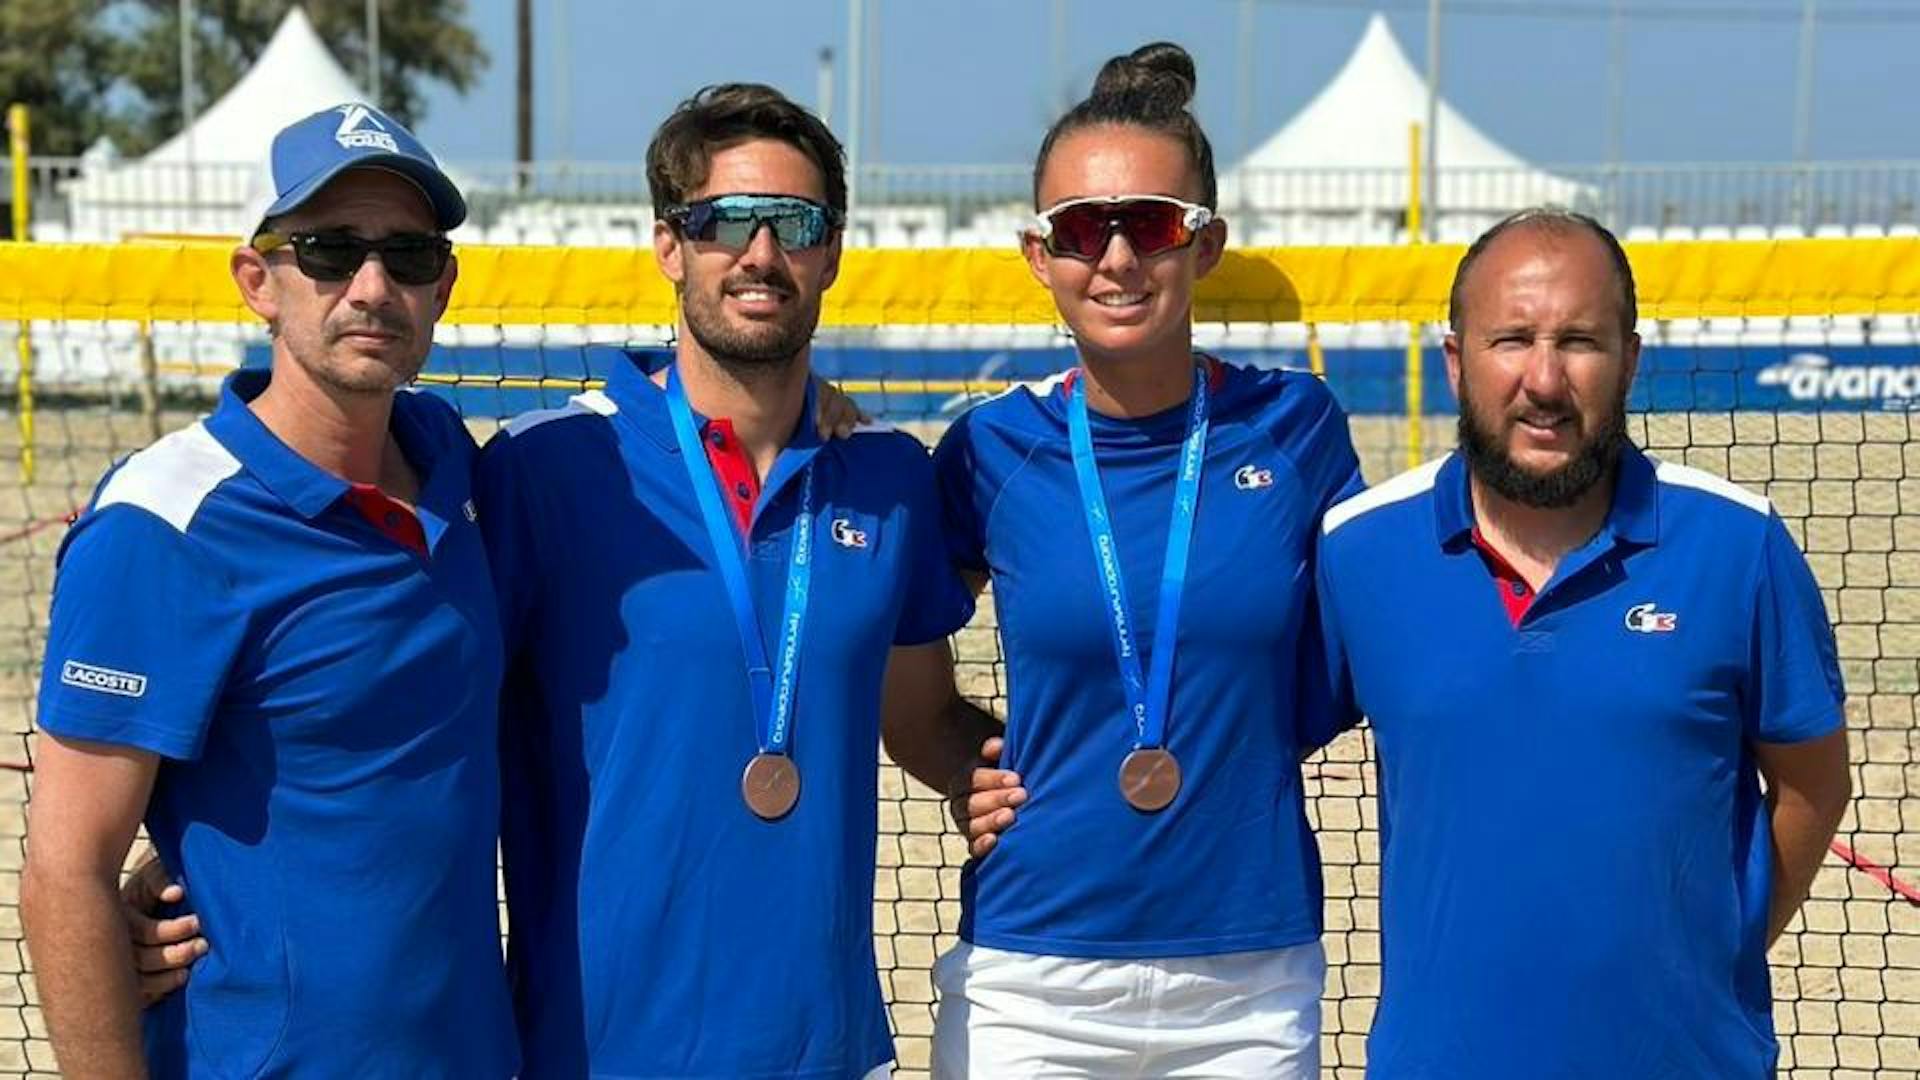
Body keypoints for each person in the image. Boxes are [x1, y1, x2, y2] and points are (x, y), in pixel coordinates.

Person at [477, 83, 974, 1078]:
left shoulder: (887, 478)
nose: (759, 254)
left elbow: (925, 722)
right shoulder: (543, 469)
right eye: (724, 223)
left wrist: (1033, 779)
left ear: (831, 249)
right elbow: (423, 722)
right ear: (671, 245)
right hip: (597, 1050)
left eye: (792, 223)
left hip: (826, 1050)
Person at [886, 44, 1364, 1078]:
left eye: (1148, 224)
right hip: (1032, 974)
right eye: (1077, 231)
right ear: (1036, 253)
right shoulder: (989, 451)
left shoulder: (1297, 427)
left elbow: (1365, 654)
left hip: (1249, 972)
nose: (1114, 259)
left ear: (1204, 243)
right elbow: (909, 693)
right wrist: (969, 766)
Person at [21, 104, 518, 1078]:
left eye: (408, 256)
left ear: (444, 287)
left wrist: (814, 410)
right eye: (330, 252)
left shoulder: (459, 472)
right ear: (259, 281)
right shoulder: (161, 525)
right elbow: (63, 874)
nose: (372, 288)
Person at [1313, 208, 1853, 1076]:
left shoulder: (1737, 545)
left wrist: (1707, 949)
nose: (1544, 379)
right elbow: (1236, 739)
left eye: (1581, 342)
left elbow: (1814, 786)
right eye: (1511, 339)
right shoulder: (1359, 549)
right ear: (1456, 361)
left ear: (1631, 359)